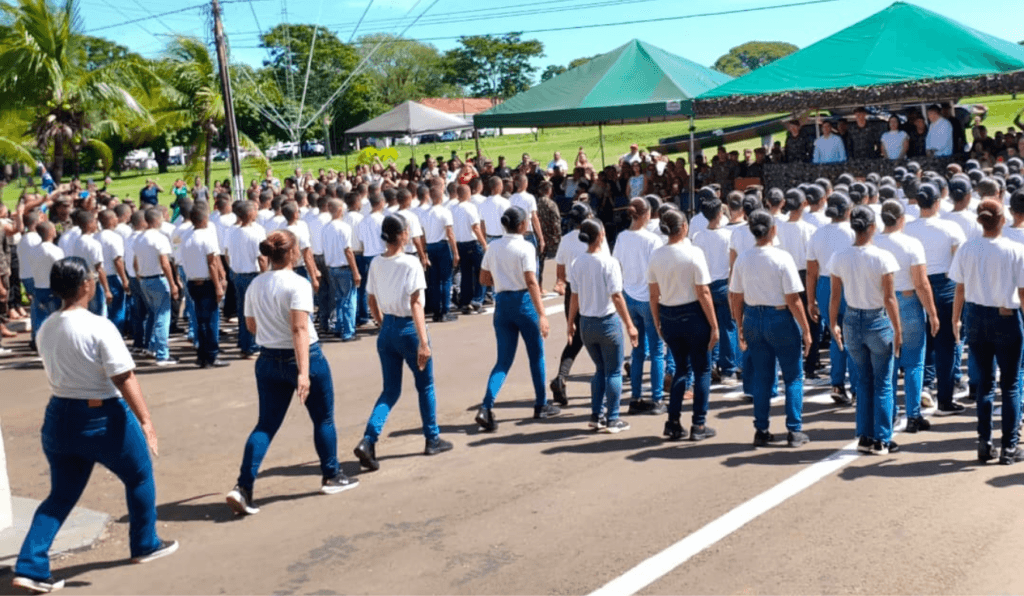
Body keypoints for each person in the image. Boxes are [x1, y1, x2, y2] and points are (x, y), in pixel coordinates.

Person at [13, 257, 177, 593]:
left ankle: (31, 565)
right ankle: (145, 543)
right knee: (139, 474)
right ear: (86, 285)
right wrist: (146, 420)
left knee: (60, 495)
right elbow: (123, 376)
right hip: (101, 415)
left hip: (60, 414)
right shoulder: (98, 326)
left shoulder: (47, 326)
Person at [225, 230, 358, 516]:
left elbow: (250, 326)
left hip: (268, 358)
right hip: (303, 355)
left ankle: (243, 486)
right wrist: (303, 372)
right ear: (293, 252)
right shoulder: (297, 284)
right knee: (323, 417)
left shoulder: (256, 285)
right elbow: (299, 328)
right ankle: (331, 474)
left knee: (265, 425)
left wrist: (271, 332)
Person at [353, 215, 453, 472]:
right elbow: (416, 303)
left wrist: (381, 322)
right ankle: (432, 437)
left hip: (388, 329)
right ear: (403, 234)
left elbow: (371, 299)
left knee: (390, 390)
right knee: (425, 385)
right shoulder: (411, 263)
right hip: (409, 327)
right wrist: (423, 341)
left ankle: (369, 439)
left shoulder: (376, 262)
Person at [729, 211, 813, 448]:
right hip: (780, 317)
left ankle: (762, 428)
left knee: (763, 377)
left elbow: (736, 296)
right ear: (773, 230)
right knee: (793, 376)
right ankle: (794, 430)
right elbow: (793, 299)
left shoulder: (743, 259)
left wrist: (740, 324)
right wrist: (806, 330)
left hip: (753, 316)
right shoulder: (781, 258)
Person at [950, 199, 1024, 464]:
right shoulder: (1015, 250)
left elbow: (959, 288)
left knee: (985, 384)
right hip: (1006, 316)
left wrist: (955, 319)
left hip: (976, 316)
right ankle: (1009, 447)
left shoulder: (968, 248)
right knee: (1011, 384)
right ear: (1002, 219)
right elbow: (1023, 293)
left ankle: (984, 442)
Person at [474, 207, 560, 431]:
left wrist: (502, 279)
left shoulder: (493, 247)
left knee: (503, 361)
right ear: (522, 225)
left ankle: (486, 405)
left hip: (502, 303)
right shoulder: (525, 247)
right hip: (523, 302)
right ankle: (541, 403)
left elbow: (483, 278)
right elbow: (531, 281)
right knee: (536, 355)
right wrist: (542, 313)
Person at [828, 206, 902, 455]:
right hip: (877, 320)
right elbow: (890, 299)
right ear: (872, 227)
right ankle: (882, 437)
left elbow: (835, 296)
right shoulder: (883, 257)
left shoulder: (839, 256)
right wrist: (898, 331)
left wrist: (832, 323)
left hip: (851, 319)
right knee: (883, 383)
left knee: (862, 381)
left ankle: (864, 436)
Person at [647, 210, 718, 441]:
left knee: (680, 369)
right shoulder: (693, 253)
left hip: (668, 314)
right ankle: (698, 424)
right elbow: (703, 291)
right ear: (684, 227)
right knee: (702, 369)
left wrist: (657, 320)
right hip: (693, 313)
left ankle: (673, 421)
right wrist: (714, 325)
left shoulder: (656, 255)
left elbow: (653, 294)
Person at [567, 219, 639, 433]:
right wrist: (629, 324)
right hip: (607, 322)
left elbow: (574, 297)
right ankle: (613, 418)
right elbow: (617, 296)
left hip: (586, 323)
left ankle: (596, 414)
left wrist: (570, 322)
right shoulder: (609, 263)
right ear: (601, 235)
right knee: (614, 371)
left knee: (600, 369)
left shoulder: (577, 262)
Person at [874, 200, 939, 434]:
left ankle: (889, 414)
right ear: (901, 219)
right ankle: (913, 414)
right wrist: (932, 312)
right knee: (914, 362)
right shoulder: (911, 244)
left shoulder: (872, 243)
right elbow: (921, 283)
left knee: (887, 363)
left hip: (882, 303)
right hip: (909, 301)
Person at [903, 182, 967, 416]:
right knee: (946, 345)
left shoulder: (907, 228)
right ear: (938, 201)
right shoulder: (950, 228)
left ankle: (924, 387)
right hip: (945, 285)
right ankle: (945, 399)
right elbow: (959, 262)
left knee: (920, 343)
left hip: (916, 283)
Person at [549, 203, 608, 405]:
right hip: (594, 292)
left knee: (576, 337)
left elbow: (560, 272)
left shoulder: (566, 240)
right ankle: (605, 381)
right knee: (601, 336)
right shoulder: (597, 234)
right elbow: (606, 262)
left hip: (572, 292)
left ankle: (562, 376)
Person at [612, 198, 666, 414]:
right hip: (649, 296)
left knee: (637, 350)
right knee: (657, 351)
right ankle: (657, 398)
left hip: (629, 295)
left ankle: (635, 397)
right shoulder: (652, 240)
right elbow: (659, 270)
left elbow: (617, 265)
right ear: (646, 214)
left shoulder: (622, 238)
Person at [806, 193, 857, 405]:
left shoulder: (817, 234)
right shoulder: (854, 232)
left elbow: (811, 271)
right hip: (850, 282)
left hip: (825, 285)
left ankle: (837, 383)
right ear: (847, 210)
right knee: (854, 336)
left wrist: (811, 300)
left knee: (836, 334)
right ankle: (856, 386)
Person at [180, 204, 228, 368]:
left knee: (200, 320)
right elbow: (212, 264)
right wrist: (218, 286)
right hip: (206, 282)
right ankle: (212, 355)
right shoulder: (206, 237)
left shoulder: (187, 235)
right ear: (204, 219)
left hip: (192, 281)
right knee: (211, 321)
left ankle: (202, 355)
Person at [134, 209, 179, 366]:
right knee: (162, 317)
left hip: (144, 279)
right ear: (157, 220)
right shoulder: (159, 238)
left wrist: (139, 274)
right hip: (157, 279)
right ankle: (162, 354)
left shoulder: (139, 238)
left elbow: (135, 261)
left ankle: (152, 347)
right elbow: (165, 263)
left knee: (154, 314)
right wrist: (172, 283)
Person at [224, 202, 267, 358]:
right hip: (252, 275)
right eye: (254, 210)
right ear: (249, 214)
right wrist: (266, 276)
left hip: (237, 274)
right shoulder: (255, 233)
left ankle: (244, 342)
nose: (256, 212)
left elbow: (227, 254)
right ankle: (252, 346)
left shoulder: (233, 232)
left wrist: (233, 268)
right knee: (254, 311)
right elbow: (261, 258)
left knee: (243, 310)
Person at [323, 199, 360, 341]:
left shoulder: (326, 228)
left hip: (332, 267)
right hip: (344, 267)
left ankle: (339, 327)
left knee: (339, 300)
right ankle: (348, 331)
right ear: (339, 210)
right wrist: (355, 271)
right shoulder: (344, 227)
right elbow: (348, 251)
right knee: (349, 300)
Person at [421, 185, 459, 323]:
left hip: (430, 246)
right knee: (446, 279)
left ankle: (437, 310)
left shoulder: (425, 213)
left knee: (434, 281)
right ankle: (445, 310)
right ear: (441, 197)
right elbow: (450, 233)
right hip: (442, 245)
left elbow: (423, 235)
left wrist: (424, 252)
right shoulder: (445, 212)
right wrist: (455, 252)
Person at [451, 184, 486, 315]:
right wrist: (484, 243)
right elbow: (475, 227)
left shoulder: (453, 209)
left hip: (460, 244)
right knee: (480, 272)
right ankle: (477, 300)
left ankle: (465, 302)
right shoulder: (470, 207)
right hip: (472, 243)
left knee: (466, 275)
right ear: (468, 194)